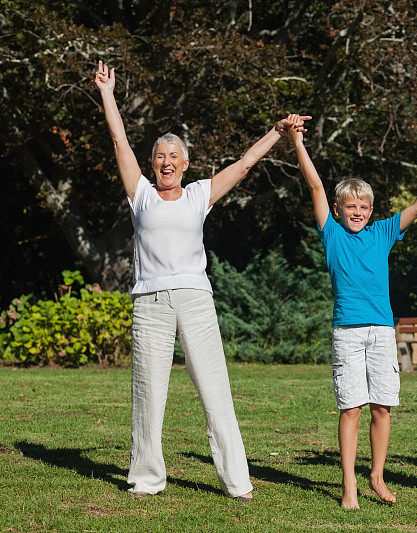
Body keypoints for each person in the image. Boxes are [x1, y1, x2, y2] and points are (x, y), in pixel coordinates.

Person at [94, 60, 306, 501]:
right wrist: (108, 94)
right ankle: (147, 478)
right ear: (152, 164)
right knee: (148, 395)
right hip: (149, 303)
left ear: (185, 164)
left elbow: (246, 164)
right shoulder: (141, 194)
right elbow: (118, 139)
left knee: (215, 390)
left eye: (174, 157)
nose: (166, 162)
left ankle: (237, 482)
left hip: (194, 299)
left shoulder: (197, 195)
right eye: (160, 157)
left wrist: (278, 131)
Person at [287, 115, 417, 509]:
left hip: (381, 331)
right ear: (339, 210)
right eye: (350, 206)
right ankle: (349, 484)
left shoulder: (383, 232)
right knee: (351, 408)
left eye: (363, 205)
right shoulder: (331, 232)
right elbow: (314, 184)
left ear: (371, 208)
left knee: (383, 406)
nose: (356, 211)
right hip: (347, 331)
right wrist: (296, 141)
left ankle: (376, 475)